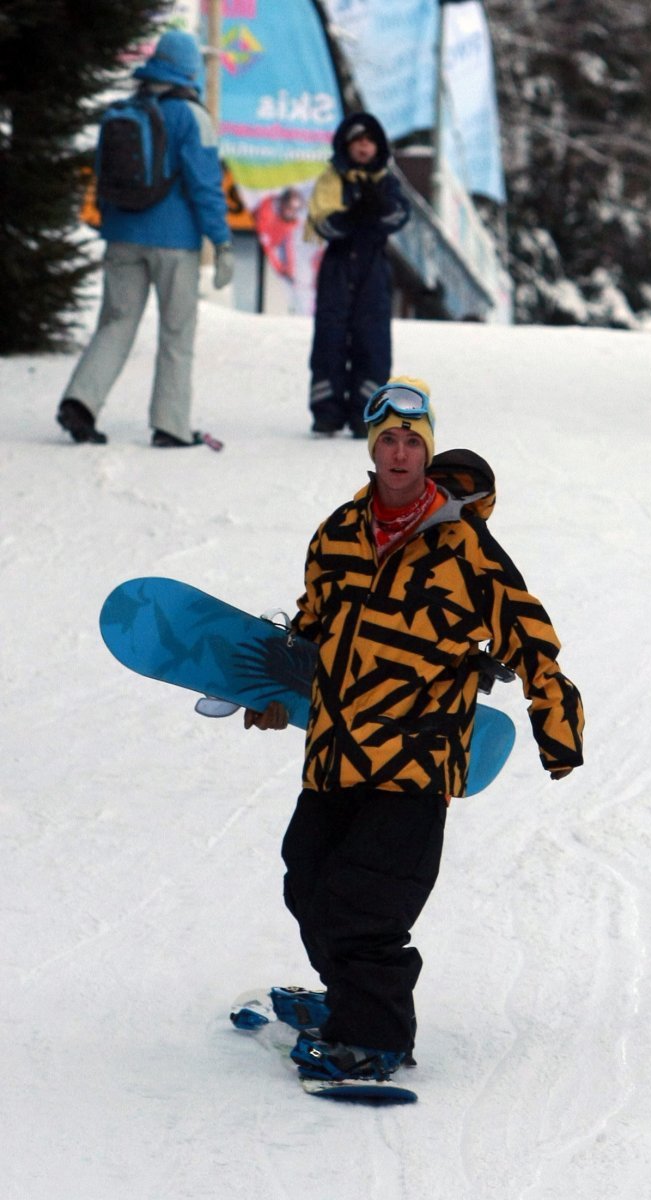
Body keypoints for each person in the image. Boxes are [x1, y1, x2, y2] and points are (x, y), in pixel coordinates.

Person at [242, 376, 585, 1086]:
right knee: (308, 878)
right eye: (389, 441)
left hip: (417, 758)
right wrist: (273, 693)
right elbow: (311, 629)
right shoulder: (338, 532)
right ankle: (347, 1000)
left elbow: (528, 634)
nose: (399, 455)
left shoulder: (466, 548)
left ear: (427, 452)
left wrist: (556, 722)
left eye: (412, 442)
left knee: (365, 902)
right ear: (373, 448)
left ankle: (376, 1039)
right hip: (335, 750)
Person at [57, 30, 233, 448]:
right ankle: (170, 424)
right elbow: (205, 186)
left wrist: (112, 227)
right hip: (175, 243)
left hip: (123, 237)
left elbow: (103, 175)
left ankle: (80, 402)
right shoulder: (192, 116)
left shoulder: (122, 111)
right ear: (190, 70)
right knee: (176, 332)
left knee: (115, 324)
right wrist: (223, 242)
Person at [304, 112, 410, 438]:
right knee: (330, 337)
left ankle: (368, 411)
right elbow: (321, 220)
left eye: (369, 142)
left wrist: (376, 209)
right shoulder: (332, 178)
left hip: (373, 267)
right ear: (346, 146)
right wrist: (351, 217)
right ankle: (327, 410)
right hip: (337, 264)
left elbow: (400, 214)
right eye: (357, 142)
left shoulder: (385, 180)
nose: (364, 148)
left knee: (372, 339)